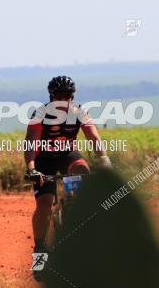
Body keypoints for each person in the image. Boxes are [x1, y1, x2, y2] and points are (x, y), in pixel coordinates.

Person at [23, 76, 110, 275]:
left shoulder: (79, 112)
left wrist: (104, 159)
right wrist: (32, 169)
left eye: (68, 96)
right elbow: (30, 144)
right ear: (51, 97)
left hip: (66, 155)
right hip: (43, 159)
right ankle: (40, 250)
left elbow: (93, 137)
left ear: (73, 97)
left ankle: (73, 206)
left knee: (81, 170)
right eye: (59, 96)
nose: (64, 100)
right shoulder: (40, 114)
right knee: (44, 205)